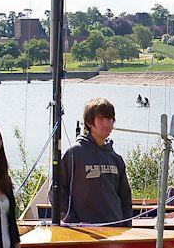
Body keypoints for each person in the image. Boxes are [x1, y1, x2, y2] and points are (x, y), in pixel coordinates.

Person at [55, 97, 133, 226]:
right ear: (90, 122)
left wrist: (126, 224)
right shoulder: (74, 153)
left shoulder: (116, 158)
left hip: (116, 231)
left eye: (109, 119)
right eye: (100, 120)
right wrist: (72, 220)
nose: (106, 124)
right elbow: (56, 191)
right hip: (85, 232)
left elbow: (125, 197)